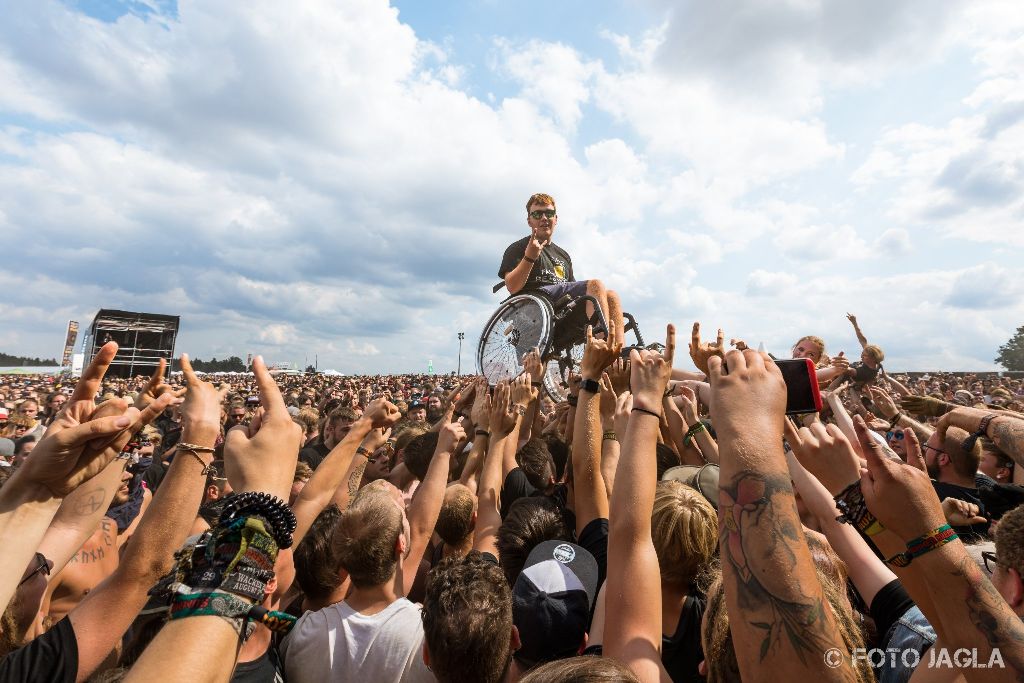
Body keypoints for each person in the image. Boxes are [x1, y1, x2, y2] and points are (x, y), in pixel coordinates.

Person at [499, 193, 624, 341]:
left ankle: (617, 355)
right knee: (596, 285)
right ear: (529, 221)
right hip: (533, 307)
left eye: (549, 213)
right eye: (537, 214)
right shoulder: (517, 248)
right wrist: (529, 257)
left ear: (556, 219)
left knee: (611, 296)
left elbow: (576, 291)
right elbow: (512, 287)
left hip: (562, 311)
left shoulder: (563, 256)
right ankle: (603, 347)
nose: (544, 218)